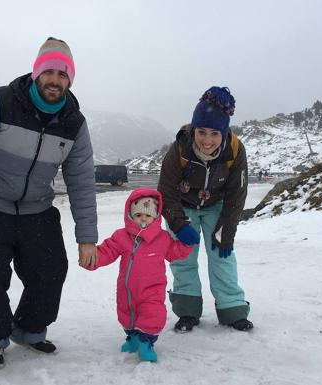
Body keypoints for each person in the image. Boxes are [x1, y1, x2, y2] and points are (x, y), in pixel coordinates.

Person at [0, 37, 98, 370]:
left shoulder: (74, 123)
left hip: (36, 209)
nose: (55, 80)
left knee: (51, 271)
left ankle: (28, 330)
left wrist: (87, 238)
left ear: (70, 79)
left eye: (63, 74)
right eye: (49, 71)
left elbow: (82, 181)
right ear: (37, 71)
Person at [158, 86, 254, 333]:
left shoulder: (235, 150)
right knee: (183, 258)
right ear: (194, 129)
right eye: (201, 132)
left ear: (224, 133)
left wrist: (227, 229)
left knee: (222, 256)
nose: (207, 140)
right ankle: (187, 310)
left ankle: (232, 308)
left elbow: (237, 193)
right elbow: (166, 192)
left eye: (214, 133)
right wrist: (179, 225)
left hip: (217, 207)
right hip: (182, 206)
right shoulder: (179, 148)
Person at [80, 188, 194, 362]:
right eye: (138, 214)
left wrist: (187, 243)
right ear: (130, 215)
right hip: (127, 290)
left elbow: (174, 252)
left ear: (155, 217)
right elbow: (107, 251)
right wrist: (92, 259)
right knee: (127, 314)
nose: (143, 218)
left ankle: (146, 342)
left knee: (152, 314)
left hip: (152, 290)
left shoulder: (162, 238)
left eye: (148, 215)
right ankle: (133, 337)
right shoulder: (121, 236)